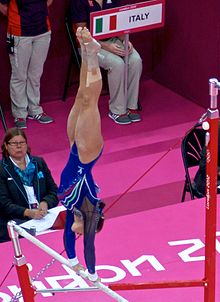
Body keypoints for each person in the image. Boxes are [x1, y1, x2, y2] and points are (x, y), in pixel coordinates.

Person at [58, 27, 104, 282]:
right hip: (88, 155)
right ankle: (94, 55)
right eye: (81, 229)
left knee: (80, 96)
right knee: (90, 101)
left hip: (74, 147)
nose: (74, 229)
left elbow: (68, 241)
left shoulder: (70, 208)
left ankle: (87, 51)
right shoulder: (88, 211)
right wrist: (93, 275)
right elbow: (90, 247)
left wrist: (72, 262)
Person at [70, 0, 143, 125]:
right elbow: (82, 34)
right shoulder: (79, 2)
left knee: (136, 60)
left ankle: (131, 106)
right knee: (117, 64)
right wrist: (106, 46)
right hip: (89, 45)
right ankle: (117, 110)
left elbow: (118, 23)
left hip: (113, 40)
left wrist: (124, 40)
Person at [0, 0, 54, 129]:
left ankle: (34, 109)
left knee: (35, 74)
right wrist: (18, 18)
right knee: (19, 76)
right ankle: (20, 114)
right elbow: (2, 5)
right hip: (19, 34)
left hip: (43, 31)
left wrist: (37, 14)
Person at [0, 127, 59, 242]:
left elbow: (54, 191)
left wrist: (45, 202)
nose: (19, 146)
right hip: (18, 220)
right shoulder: (2, 169)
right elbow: (4, 204)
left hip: (44, 217)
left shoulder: (39, 163)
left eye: (22, 142)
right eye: (14, 143)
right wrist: (28, 212)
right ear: (6, 146)